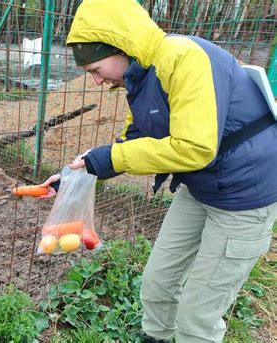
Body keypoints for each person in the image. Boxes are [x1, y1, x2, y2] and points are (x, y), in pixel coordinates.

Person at [40, 0, 277, 342]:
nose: (94, 81)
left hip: (244, 195)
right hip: (202, 188)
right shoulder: (141, 77)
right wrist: (79, 172)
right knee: (157, 282)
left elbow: (195, 148)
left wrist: (112, 157)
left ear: (121, 46)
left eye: (95, 69)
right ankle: (157, 337)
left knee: (198, 312)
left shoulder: (182, 58)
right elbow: (133, 138)